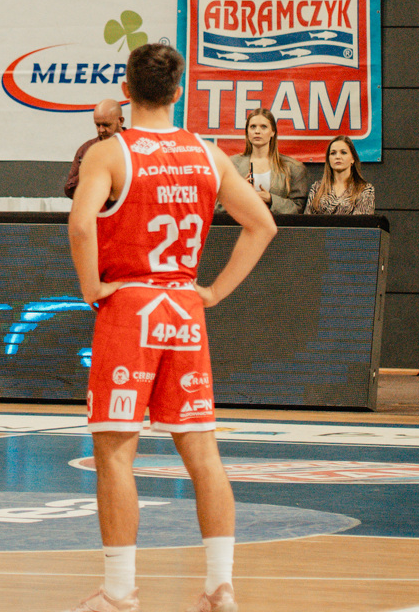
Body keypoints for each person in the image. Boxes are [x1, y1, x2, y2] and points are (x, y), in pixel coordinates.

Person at [63, 43, 277, 612]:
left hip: (130, 305)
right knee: (203, 453)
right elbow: (262, 225)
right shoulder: (209, 154)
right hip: (184, 308)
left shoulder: (109, 152)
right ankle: (220, 586)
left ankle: (119, 590)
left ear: (125, 93)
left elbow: (82, 226)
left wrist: (90, 286)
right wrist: (214, 291)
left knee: (115, 453)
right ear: (179, 92)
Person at [227, 108, 308, 214]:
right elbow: (217, 207)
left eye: (263, 127)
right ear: (247, 132)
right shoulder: (231, 164)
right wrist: (238, 194)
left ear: (273, 132)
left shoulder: (293, 168)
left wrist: (270, 199)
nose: (257, 131)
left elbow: (299, 208)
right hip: (240, 223)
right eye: (253, 127)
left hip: (277, 224)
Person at [64, 99, 124, 198]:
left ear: (120, 121)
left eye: (106, 125)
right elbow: (69, 189)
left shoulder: (134, 146)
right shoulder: (86, 149)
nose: (101, 130)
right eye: (97, 125)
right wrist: (88, 172)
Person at [304, 136, 375, 215]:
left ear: (353, 159)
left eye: (343, 152)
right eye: (333, 153)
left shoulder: (364, 190)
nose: (337, 157)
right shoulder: (317, 188)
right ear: (328, 159)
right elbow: (307, 219)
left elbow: (362, 221)